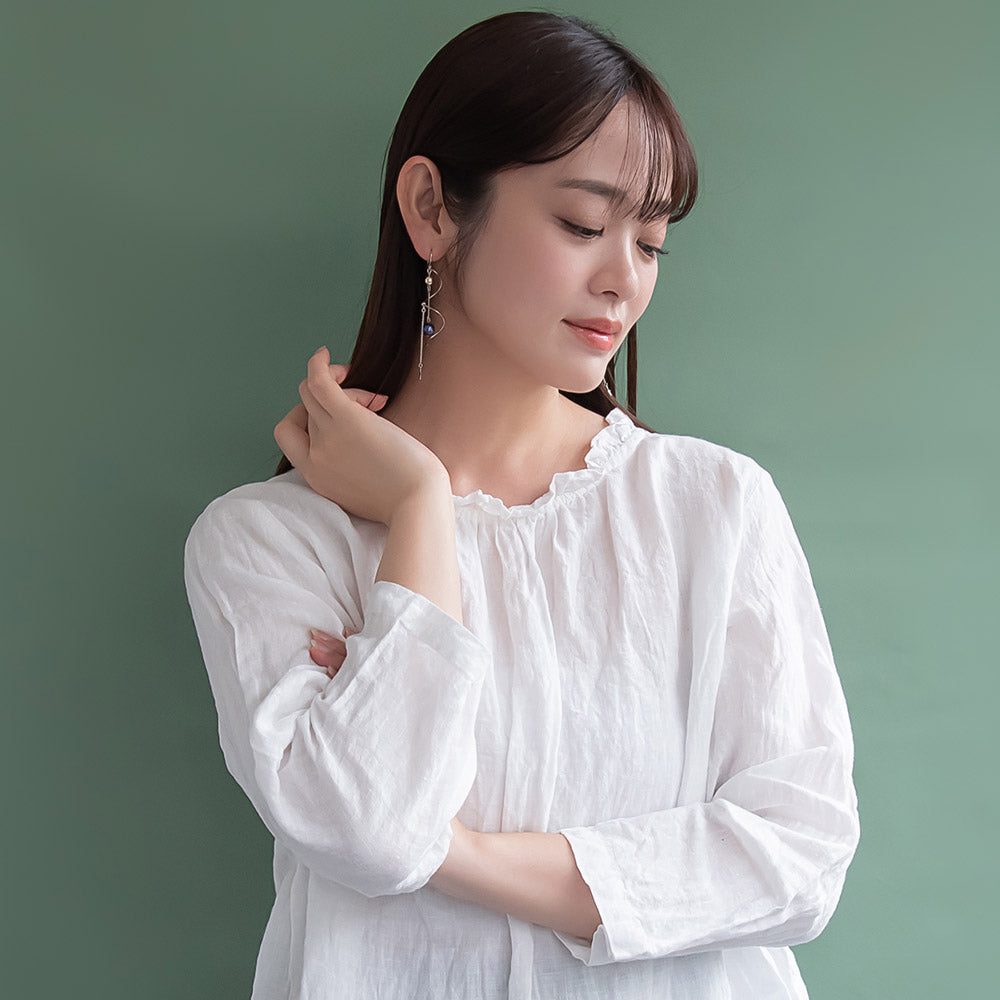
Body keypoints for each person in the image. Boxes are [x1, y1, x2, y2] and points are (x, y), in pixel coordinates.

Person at [184, 11, 860, 999]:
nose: (623, 279)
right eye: (583, 225)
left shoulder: (712, 507)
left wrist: (453, 852)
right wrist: (415, 506)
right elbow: (370, 829)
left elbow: (798, 858)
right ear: (431, 208)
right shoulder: (267, 543)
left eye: (652, 240)